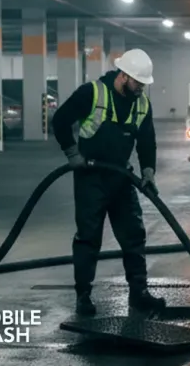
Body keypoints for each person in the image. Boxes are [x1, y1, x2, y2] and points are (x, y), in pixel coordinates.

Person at [51, 48, 165, 316]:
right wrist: (72, 153)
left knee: (134, 236)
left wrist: (148, 171)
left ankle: (139, 293)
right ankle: (83, 296)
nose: (141, 90)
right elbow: (60, 120)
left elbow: (147, 140)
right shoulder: (92, 93)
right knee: (88, 238)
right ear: (123, 76)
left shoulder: (141, 103)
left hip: (122, 178)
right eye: (138, 83)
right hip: (91, 178)